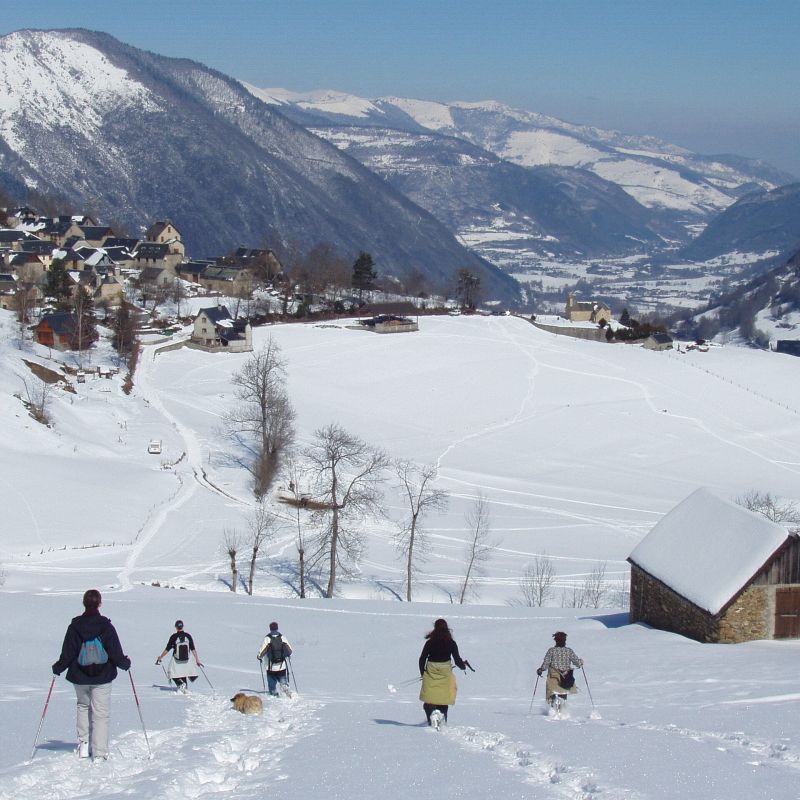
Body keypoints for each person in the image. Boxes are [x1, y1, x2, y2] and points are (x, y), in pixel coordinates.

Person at [51, 589, 131, 761]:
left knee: (83, 706)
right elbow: (115, 652)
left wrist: (59, 667)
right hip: (103, 676)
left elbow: (68, 653)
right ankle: (100, 753)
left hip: (79, 675)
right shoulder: (106, 626)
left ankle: (84, 744)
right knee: (100, 713)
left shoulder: (75, 626)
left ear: (84, 603)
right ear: (99, 603)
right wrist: (125, 663)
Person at [418, 618, 466, 726]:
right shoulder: (451, 643)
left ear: (435, 628)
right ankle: (442, 721)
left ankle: (431, 720)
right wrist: (463, 666)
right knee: (443, 700)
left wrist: (423, 673)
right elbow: (457, 660)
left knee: (429, 700)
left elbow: (422, 659)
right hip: (445, 673)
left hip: (431, 672)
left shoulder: (429, 643)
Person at [537, 631, 583, 708]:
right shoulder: (569, 651)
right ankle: (563, 711)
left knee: (552, 693)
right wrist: (580, 662)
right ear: (565, 640)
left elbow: (546, 663)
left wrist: (541, 670)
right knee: (563, 693)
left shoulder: (551, 650)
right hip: (566, 677)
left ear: (555, 640)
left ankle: (553, 710)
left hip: (553, 676)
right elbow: (577, 663)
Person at [156, 620, 203, 693]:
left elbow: (167, 649)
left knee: (171, 672)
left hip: (176, 659)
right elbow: (193, 649)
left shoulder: (174, 637)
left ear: (176, 627)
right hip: (187, 659)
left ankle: (181, 684)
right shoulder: (188, 636)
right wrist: (197, 660)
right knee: (183, 673)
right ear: (182, 626)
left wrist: (160, 657)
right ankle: (185, 689)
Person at [257, 622, 293, 696]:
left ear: (270, 628)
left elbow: (262, 652)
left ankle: (273, 693)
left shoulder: (267, 638)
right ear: (277, 628)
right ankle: (285, 688)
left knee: (272, 683)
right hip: (282, 666)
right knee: (283, 680)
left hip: (270, 667)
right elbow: (290, 650)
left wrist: (259, 657)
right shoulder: (282, 637)